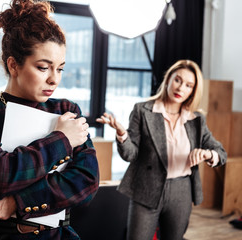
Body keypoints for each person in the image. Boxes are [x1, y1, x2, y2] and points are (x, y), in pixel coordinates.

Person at [0, 0, 99, 239]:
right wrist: (62, 139)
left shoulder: (66, 109)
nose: (54, 79)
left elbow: (87, 181)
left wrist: (16, 201)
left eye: (60, 68)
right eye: (44, 67)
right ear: (13, 65)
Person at [96, 59, 227, 240]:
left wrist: (208, 153)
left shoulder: (196, 119)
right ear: (168, 79)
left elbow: (220, 153)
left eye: (189, 85)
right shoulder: (142, 110)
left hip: (182, 190)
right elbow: (130, 154)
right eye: (178, 80)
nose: (181, 88)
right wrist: (121, 134)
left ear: (193, 91)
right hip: (146, 187)